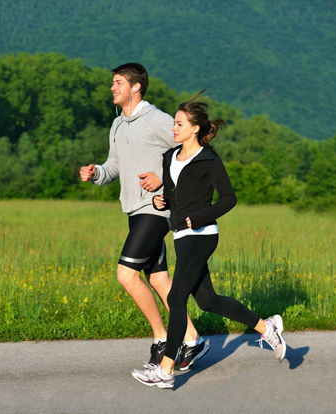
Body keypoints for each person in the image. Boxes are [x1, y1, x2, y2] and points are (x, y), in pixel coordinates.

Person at [131, 90, 287, 389]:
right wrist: (163, 202)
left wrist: (201, 216)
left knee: (176, 297)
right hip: (181, 234)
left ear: (195, 128)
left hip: (202, 235)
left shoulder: (209, 160)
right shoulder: (169, 157)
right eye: (174, 123)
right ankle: (267, 328)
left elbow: (229, 198)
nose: (173, 128)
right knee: (208, 301)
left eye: (178, 124)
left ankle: (165, 369)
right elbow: (177, 194)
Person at [80, 63, 208, 369]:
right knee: (158, 278)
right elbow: (114, 167)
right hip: (134, 210)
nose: (112, 87)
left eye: (118, 82)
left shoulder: (157, 120)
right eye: (112, 82)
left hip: (156, 209)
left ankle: (163, 338)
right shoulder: (117, 125)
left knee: (126, 274)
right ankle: (193, 339)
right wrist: (96, 172)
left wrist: (163, 181)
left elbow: (192, 153)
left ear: (136, 86)